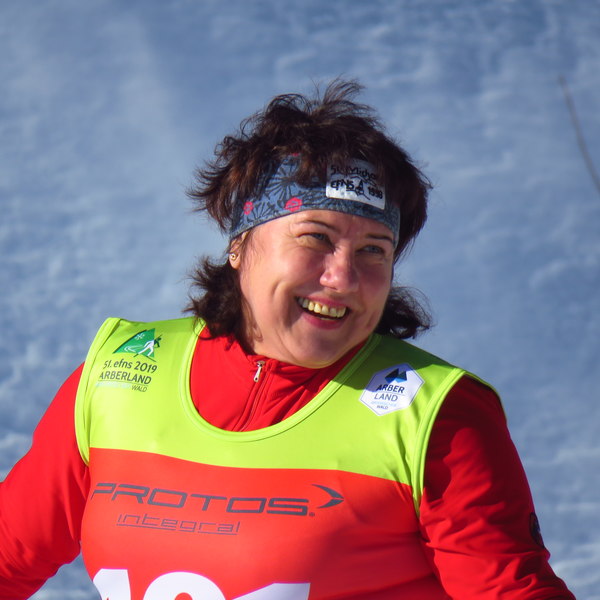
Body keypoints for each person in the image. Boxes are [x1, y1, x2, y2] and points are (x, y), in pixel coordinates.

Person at [0, 81, 575, 600]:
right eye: (315, 238)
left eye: (373, 250)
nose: (342, 276)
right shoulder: (122, 376)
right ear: (240, 243)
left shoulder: (435, 414)